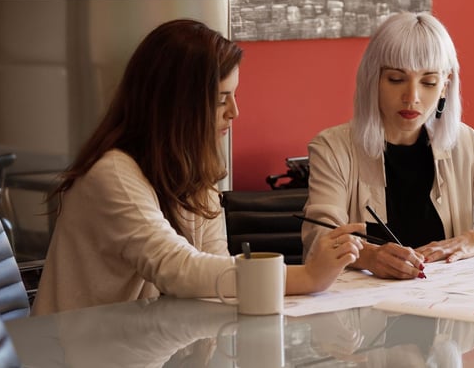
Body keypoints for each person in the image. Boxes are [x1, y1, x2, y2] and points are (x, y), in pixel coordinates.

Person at [33, 19, 364, 315]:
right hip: (75, 352)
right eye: (221, 98)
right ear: (177, 105)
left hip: (137, 345)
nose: (234, 111)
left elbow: (213, 270)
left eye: (234, 95)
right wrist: (306, 276)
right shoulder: (113, 173)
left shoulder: (190, 171)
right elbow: (177, 267)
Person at [302, 12, 474, 280]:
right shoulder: (332, 149)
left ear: (444, 87)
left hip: (445, 308)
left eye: (428, 82)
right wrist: (370, 256)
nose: (411, 97)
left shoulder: (464, 143)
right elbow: (319, 239)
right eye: (396, 79)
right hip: (361, 313)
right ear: (372, 81)